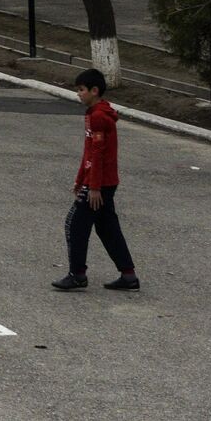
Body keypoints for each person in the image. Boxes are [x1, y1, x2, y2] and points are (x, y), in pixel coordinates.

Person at [53, 68, 139, 292]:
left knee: (75, 223)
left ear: (94, 90)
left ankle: (77, 274)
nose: (78, 94)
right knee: (107, 227)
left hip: (100, 184)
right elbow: (89, 151)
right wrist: (80, 178)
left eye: (81, 90)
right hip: (100, 181)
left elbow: (99, 154)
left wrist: (93, 187)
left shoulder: (99, 116)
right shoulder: (93, 113)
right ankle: (128, 275)